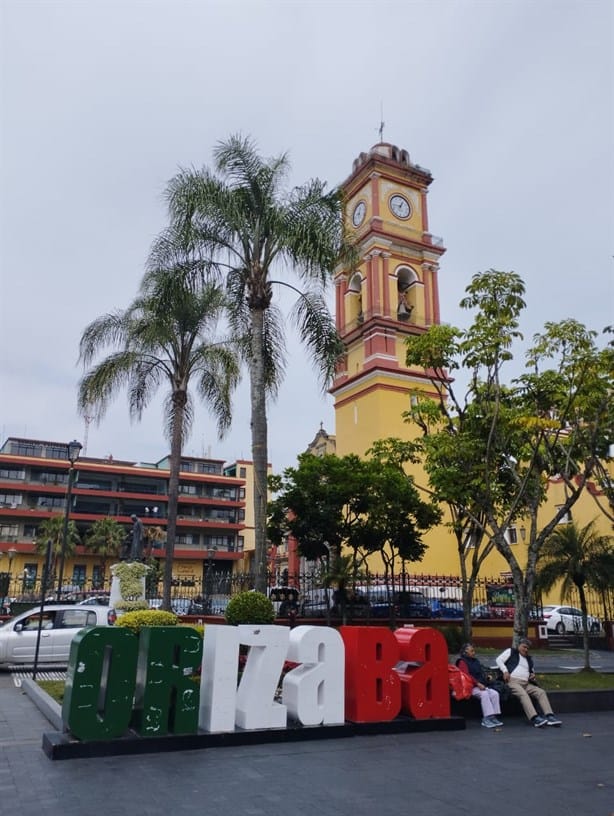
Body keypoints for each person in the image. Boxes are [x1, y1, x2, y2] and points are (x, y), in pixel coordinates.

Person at [496, 637, 562, 728]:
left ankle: (550, 716)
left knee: (541, 692)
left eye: (527, 648)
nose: (526, 650)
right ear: (519, 646)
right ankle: (534, 718)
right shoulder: (511, 652)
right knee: (523, 694)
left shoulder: (528, 659)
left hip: (526, 683)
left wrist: (532, 675)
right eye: (524, 647)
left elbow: (531, 671)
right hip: (512, 681)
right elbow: (498, 660)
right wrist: (505, 671)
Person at [457, 643, 503, 728]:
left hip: (480, 685)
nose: (474, 653)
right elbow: (466, 675)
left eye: (474, 651)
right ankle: (486, 718)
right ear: (465, 652)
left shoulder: (476, 661)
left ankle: (493, 717)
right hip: (471, 687)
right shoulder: (462, 662)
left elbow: (480, 673)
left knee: (494, 694)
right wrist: (477, 683)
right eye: (472, 651)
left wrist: (486, 678)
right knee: (484, 694)